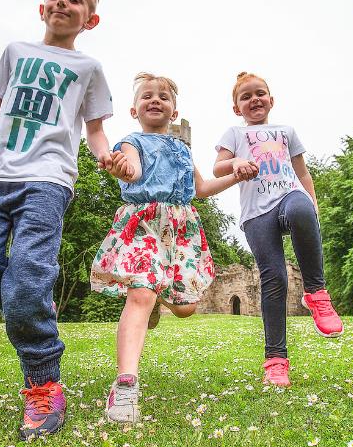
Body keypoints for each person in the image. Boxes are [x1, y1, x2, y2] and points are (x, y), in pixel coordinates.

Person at [0, 0, 117, 439]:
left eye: (75, 0)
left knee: (28, 278)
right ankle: (28, 301)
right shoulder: (14, 52)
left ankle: (44, 383)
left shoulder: (88, 68)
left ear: (90, 19)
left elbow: (94, 130)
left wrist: (108, 157)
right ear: (42, 6)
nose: (63, 3)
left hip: (49, 178)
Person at [90, 73, 253, 422]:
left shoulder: (182, 149)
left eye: (163, 96)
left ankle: (153, 300)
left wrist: (236, 175)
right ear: (134, 110)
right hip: (145, 223)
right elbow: (132, 171)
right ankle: (125, 387)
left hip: (181, 230)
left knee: (186, 308)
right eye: (147, 96)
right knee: (141, 294)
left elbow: (203, 188)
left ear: (174, 111)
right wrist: (123, 168)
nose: (155, 100)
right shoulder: (131, 142)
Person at [213, 72, 344, 388]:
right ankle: (276, 361)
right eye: (246, 97)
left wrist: (313, 202)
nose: (254, 99)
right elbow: (218, 167)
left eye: (260, 93)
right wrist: (235, 165)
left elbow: (303, 171)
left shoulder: (286, 131)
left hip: (288, 195)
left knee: (301, 208)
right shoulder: (234, 133)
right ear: (236, 108)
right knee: (274, 278)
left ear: (271, 100)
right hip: (257, 213)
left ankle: (316, 292)